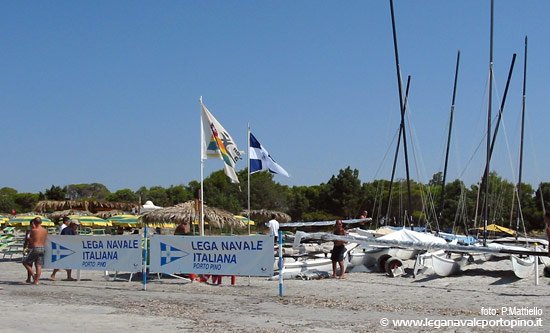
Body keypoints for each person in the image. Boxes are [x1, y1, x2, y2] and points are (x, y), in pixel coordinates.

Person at [22, 217, 47, 285]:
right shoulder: (45, 230)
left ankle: (33, 275)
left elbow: (30, 239)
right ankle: (36, 281)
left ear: (34, 223)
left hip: (35, 248)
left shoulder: (33, 231)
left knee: (25, 262)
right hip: (42, 247)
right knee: (38, 265)